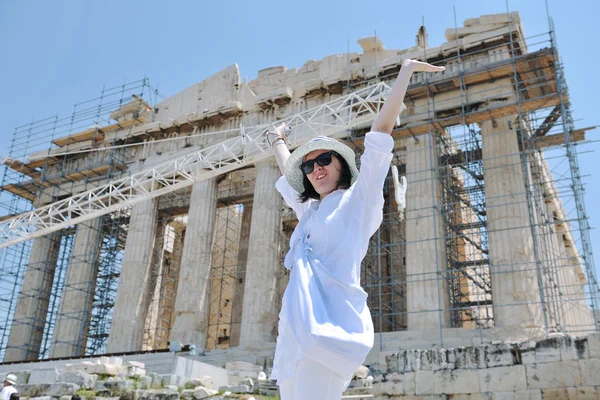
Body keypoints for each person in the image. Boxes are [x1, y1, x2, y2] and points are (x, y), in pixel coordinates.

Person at [266, 59, 444, 400]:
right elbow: (287, 169)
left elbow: (380, 133)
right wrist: (275, 139)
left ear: (341, 165)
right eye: (309, 165)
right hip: (295, 330)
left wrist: (405, 72)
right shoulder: (310, 211)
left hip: (331, 328)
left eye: (323, 161)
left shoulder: (357, 201)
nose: (316, 170)